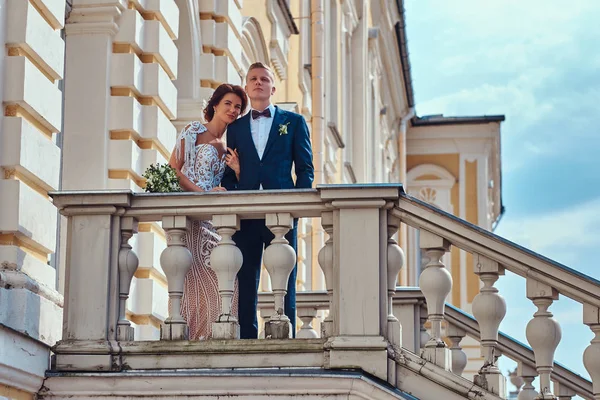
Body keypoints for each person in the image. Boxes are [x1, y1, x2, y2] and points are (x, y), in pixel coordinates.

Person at [222, 62, 314, 339]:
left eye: (264, 79)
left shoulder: (293, 122)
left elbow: (305, 169)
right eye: (253, 79)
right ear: (247, 87)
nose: (258, 83)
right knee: (245, 275)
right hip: (246, 211)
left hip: (282, 210)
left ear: (273, 87)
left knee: (284, 275)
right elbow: (228, 173)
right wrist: (234, 189)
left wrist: (298, 207)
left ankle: (285, 332)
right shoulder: (235, 128)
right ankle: (247, 336)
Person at [168, 83, 248, 340]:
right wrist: (201, 196)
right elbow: (173, 169)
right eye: (228, 104)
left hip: (213, 222)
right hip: (191, 216)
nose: (233, 110)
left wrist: (236, 171)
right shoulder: (193, 130)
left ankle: (212, 338)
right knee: (191, 283)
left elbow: (231, 186)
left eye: (238, 107)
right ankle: (191, 338)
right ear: (215, 105)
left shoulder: (228, 148)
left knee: (224, 281)